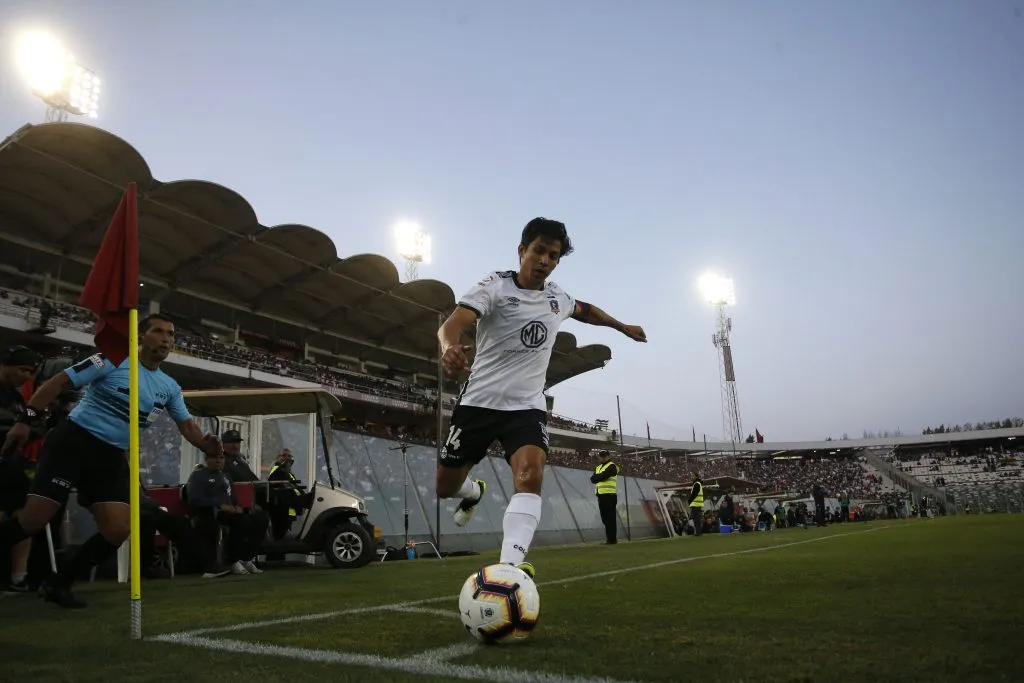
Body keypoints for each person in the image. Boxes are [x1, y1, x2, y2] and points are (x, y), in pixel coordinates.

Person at [435, 217, 646, 578]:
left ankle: (510, 568)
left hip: (526, 408)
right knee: (445, 488)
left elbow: (586, 310)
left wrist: (621, 327)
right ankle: (472, 492)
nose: (546, 260)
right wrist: (449, 347)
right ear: (522, 251)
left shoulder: (556, 298)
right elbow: (452, 323)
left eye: (554, 255)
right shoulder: (495, 287)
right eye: (539, 251)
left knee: (530, 477)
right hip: (478, 404)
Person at [0, 313, 223, 607]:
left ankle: (59, 584)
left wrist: (207, 445)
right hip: (73, 443)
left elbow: (187, 425)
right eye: (158, 331)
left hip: (110, 456)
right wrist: (26, 419)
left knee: (118, 528)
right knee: (32, 520)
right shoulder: (111, 360)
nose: (166, 339)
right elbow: (58, 381)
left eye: (170, 334)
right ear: (140, 336)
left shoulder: (169, 386)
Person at [0, 346, 42, 594]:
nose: (26, 375)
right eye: (22, 369)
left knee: (25, 516)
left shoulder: (16, 398)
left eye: (29, 371)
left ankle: (19, 575)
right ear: (5, 364)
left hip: (10, 463)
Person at [590, 450, 620, 545]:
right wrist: (600, 476)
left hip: (609, 495)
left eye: (604, 456)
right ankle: (610, 539)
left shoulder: (612, 466)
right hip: (601, 495)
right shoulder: (598, 467)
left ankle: (612, 540)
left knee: (610, 518)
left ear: (608, 456)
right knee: (605, 518)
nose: (602, 458)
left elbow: (604, 476)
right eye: (601, 456)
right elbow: (593, 479)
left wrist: (599, 476)